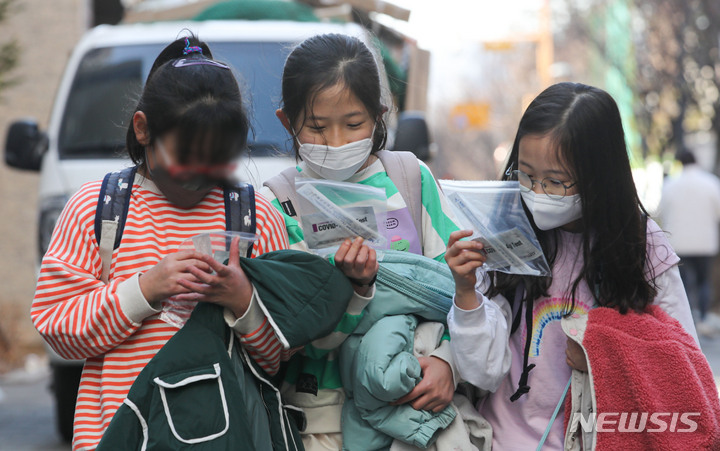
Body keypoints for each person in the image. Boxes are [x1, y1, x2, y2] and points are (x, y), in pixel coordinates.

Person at [30, 36, 292, 450]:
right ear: (143, 129)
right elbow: (57, 326)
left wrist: (242, 301)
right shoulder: (96, 209)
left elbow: (281, 358)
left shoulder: (255, 216)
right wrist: (145, 289)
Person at [445, 82, 699, 450]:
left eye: (556, 182)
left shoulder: (640, 246)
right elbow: (481, 372)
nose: (537, 193)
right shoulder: (504, 232)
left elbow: (682, 365)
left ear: (599, 177)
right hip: (502, 440)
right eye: (527, 175)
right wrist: (466, 292)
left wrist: (602, 357)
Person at [260, 33, 461, 450]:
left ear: (379, 115)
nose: (336, 142)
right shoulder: (278, 202)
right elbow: (287, 329)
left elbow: (458, 288)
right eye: (316, 127)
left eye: (353, 125)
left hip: (412, 400)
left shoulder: (409, 178)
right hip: (318, 419)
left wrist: (447, 362)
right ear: (287, 121)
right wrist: (352, 290)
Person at [658, 149, 720, 335]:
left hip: (678, 242)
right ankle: (703, 318)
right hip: (705, 242)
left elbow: (662, 212)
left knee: (683, 284)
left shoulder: (670, 184)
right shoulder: (711, 182)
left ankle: (688, 320)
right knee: (703, 281)